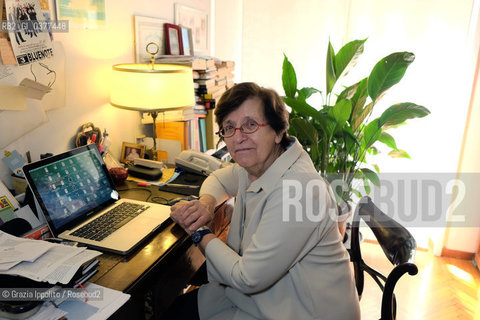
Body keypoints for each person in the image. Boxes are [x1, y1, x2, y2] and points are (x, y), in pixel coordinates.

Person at [167, 82, 360, 319]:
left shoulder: (300, 190)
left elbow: (248, 278)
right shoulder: (256, 166)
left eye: (250, 125)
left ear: (279, 132)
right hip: (263, 298)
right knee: (172, 310)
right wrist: (206, 203)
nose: (239, 137)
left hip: (302, 310)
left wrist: (197, 230)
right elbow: (218, 178)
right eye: (229, 127)